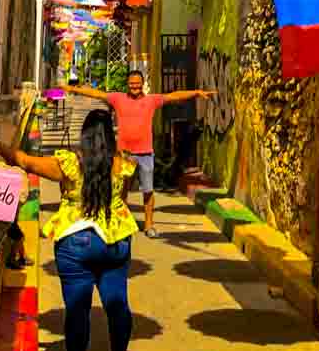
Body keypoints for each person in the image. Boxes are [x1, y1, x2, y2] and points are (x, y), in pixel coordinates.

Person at [0, 110, 137, 351]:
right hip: (117, 239)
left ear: (85, 135)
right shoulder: (124, 164)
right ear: (110, 134)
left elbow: (24, 161)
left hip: (76, 240)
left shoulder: (69, 162)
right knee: (118, 305)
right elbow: (122, 200)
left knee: (77, 309)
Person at [66, 71, 214, 238]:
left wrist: (196, 93)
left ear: (142, 84)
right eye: (131, 83)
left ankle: (149, 225)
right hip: (124, 155)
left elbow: (174, 96)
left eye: (137, 83)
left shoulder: (151, 100)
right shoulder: (118, 99)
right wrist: (72, 89)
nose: (134, 86)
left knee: (148, 191)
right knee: (121, 191)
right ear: (127, 84)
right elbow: (95, 93)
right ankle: (120, 222)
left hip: (145, 154)